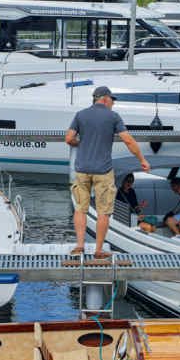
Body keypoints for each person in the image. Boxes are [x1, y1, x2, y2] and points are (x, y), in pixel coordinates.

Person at [66, 85, 150, 258]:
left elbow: (69, 138)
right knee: (104, 211)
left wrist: (80, 144)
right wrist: (142, 159)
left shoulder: (80, 115)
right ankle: (98, 250)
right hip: (103, 171)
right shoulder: (113, 117)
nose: (113, 104)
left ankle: (80, 246)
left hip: (82, 169)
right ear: (104, 99)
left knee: (80, 209)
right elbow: (127, 140)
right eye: (112, 100)